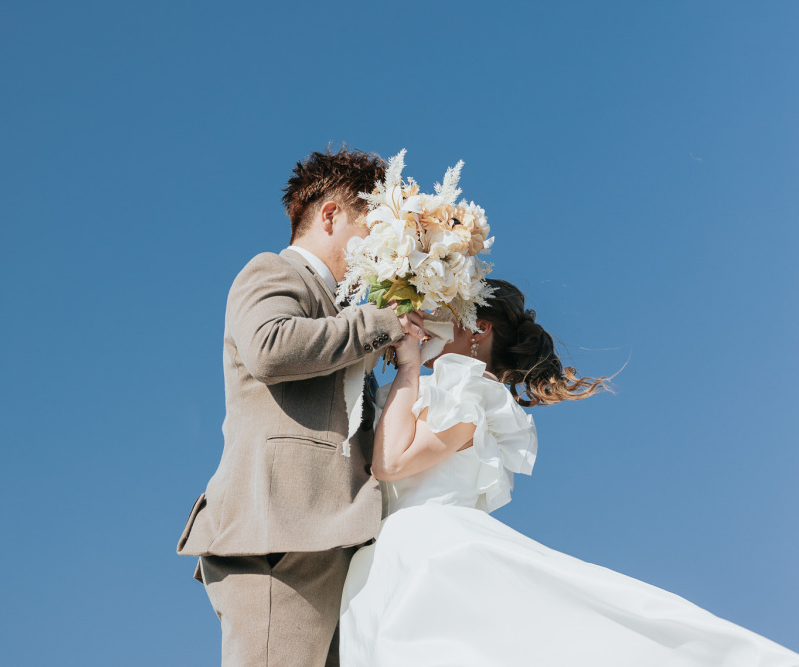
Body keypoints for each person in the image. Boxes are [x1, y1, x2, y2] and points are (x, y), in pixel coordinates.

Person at [339, 279, 799, 666]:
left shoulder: (473, 394)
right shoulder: (431, 385)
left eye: (443, 311)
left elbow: (391, 463)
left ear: (478, 328)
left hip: (428, 548)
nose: (429, 318)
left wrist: (408, 364)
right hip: (382, 557)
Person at [177, 146, 429, 667]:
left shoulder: (342, 313)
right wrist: (379, 323)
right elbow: (269, 346)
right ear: (331, 215)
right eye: (373, 227)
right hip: (280, 536)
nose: (382, 247)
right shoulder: (274, 270)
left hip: (330, 536)